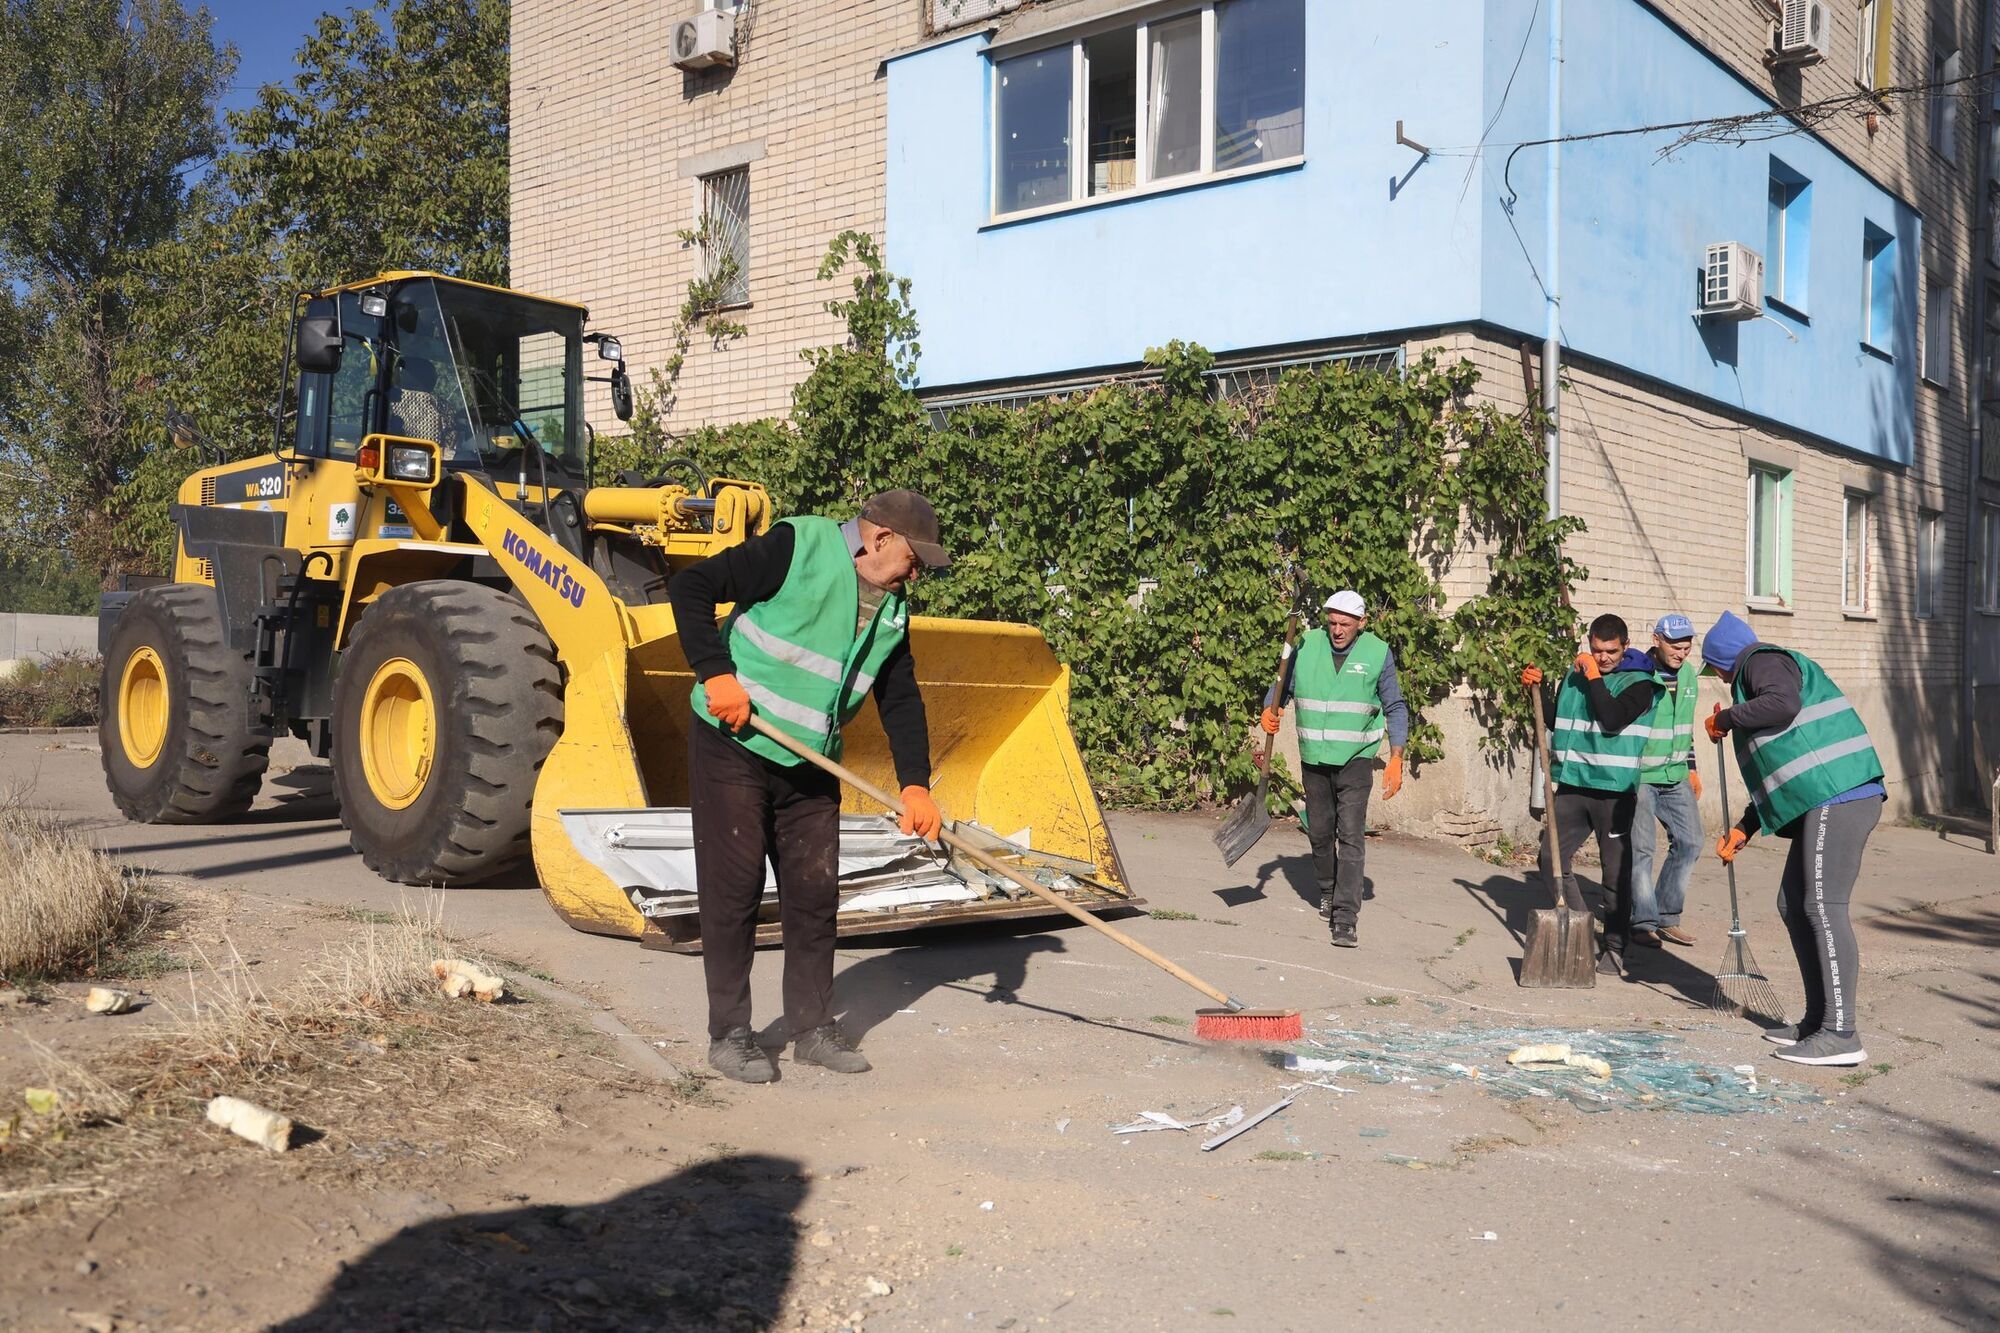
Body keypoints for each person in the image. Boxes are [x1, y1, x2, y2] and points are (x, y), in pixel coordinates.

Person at [667, 490, 951, 1083]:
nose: (917, 571)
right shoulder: (799, 544)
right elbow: (691, 588)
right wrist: (716, 673)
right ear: (878, 540)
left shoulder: (893, 611)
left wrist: (916, 785)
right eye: (914, 558)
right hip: (734, 745)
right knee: (735, 892)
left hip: (811, 762)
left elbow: (900, 699)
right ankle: (731, 1035)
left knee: (815, 896)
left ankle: (813, 1029)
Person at [1703, 611, 1884, 1068]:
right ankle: (1818, 1021)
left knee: (1822, 906)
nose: (1721, 679)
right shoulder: (1752, 677)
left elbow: (1783, 704)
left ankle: (1842, 1034)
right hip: (1821, 799)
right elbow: (1786, 768)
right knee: (1792, 902)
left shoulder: (1762, 661)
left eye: (1718, 670)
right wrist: (1746, 826)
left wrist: (1727, 717)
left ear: (1725, 659)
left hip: (1840, 794)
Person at [1259, 590, 1407, 948]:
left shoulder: (1377, 653)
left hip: (1356, 758)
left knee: (1351, 836)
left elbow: (1396, 705)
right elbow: (1281, 686)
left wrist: (1397, 756)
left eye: (1345, 624)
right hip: (1315, 758)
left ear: (1361, 623)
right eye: (1332, 623)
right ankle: (1327, 888)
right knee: (1320, 833)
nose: (1338, 630)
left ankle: (1345, 917)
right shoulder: (1306, 645)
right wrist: (1270, 708)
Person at [1519, 613, 1660, 975]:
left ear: (1625, 647)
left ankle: (1615, 948)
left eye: (1611, 651)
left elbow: (1612, 719)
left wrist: (1595, 678)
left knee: (1614, 873)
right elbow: (1557, 720)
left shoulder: (1641, 683)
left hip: (1614, 791)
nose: (1603, 658)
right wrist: (1533, 689)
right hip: (1574, 784)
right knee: (1550, 859)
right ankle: (1579, 928)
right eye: (1596, 650)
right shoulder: (1576, 676)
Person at [1628, 614, 1704, 949]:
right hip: (1642, 776)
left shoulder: (1689, 674)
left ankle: (1666, 916)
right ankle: (1643, 922)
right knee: (1642, 849)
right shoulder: (1638, 673)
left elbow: (1685, 726)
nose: (1682, 651)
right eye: (1675, 644)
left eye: (1686, 645)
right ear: (1656, 639)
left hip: (1675, 774)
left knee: (1691, 842)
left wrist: (1691, 767)